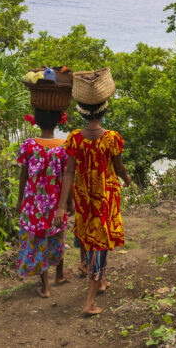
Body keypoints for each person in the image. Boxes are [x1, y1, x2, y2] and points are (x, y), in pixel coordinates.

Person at [55, 68, 130, 316]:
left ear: (81, 111)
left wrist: (62, 205)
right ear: (104, 110)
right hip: (105, 199)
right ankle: (89, 302)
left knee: (90, 240)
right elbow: (118, 167)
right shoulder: (111, 138)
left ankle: (102, 281)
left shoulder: (75, 138)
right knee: (101, 246)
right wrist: (127, 177)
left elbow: (68, 173)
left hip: (84, 199)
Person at [16, 108, 70, 297]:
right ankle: (60, 275)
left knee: (39, 241)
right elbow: (67, 178)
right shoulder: (64, 147)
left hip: (34, 205)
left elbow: (23, 177)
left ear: (36, 121)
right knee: (57, 237)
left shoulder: (28, 145)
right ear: (58, 122)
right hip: (56, 204)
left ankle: (45, 287)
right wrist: (68, 204)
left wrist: (19, 201)